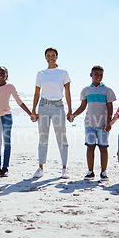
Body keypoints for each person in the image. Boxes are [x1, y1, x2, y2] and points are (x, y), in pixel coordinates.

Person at [30, 48, 72, 179]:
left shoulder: (63, 73)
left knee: (61, 138)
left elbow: (67, 93)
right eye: (48, 56)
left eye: (53, 55)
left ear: (57, 57)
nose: (51, 58)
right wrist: (33, 110)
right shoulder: (41, 74)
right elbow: (37, 93)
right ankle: (40, 167)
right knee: (43, 138)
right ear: (45, 58)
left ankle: (64, 168)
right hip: (43, 106)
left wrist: (70, 110)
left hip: (58, 106)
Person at [70, 65, 116, 182]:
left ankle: (104, 172)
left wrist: (108, 122)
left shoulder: (107, 90)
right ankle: (90, 172)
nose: (98, 77)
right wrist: (73, 115)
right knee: (90, 147)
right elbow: (83, 106)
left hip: (103, 124)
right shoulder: (86, 90)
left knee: (103, 148)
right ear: (91, 75)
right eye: (96, 74)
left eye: (101, 75)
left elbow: (110, 107)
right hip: (89, 123)